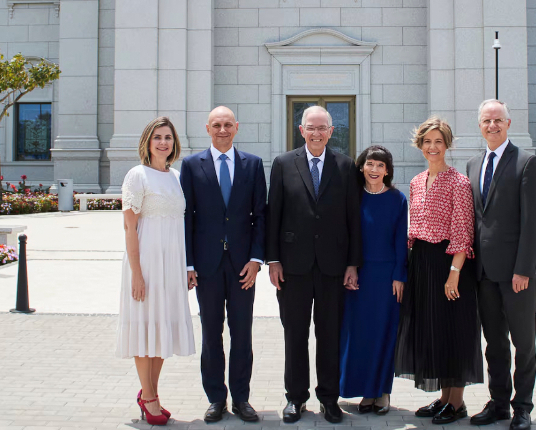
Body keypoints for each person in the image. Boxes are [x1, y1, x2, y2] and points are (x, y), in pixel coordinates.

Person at [266, 105, 362, 424]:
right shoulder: (282, 164)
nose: (317, 133)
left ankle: (329, 398)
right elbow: (274, 215)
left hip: (333, 267)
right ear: (301, 130)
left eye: (323, 128)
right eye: (311, 127)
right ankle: (296, 399)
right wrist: (274, 259)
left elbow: (353, 219)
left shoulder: (346, 166)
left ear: (331, 132)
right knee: (295, 334)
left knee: (329, 335)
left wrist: (352, 264)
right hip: (293, 267)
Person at [466, 99, 536, 430]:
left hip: (518, 273)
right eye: (487, 120)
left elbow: (533, 223)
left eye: (498, 120)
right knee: (495, 342)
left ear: (508, 123)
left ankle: (523, 407)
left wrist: (523, 269)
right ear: (480, 125)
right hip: (484, 272)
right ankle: (499, 402)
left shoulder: (527, 163)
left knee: (524, 343)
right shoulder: (473, 165)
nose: (492, 125)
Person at [180, 106, 267, 423]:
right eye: (216, 125)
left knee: (242, 334)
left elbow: (261, 216)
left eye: (227, 124)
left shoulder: (253, 165)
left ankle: (242, 399)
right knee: (211, 334)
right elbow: (186, 219)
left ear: (236, 127)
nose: (222, 129)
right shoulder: (191, 165)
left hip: (244, 267)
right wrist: (189, 264)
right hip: (207, 266)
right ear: (207, 128)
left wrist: (257, 259)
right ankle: (216, 398)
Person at [394, 116, 482, 425]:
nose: (433, 147)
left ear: (447, 145)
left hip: (449, 264)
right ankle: (444, 398)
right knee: (433, 331)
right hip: (421, 262)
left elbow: (462, 232)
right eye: (428, 142)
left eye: (439, 142)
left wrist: (454, 272)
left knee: (453, 331)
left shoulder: (459, 182)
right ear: (420, 145)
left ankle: (457, 403)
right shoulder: (417, 181)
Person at [116, 116, 195, 426]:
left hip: (171, 265)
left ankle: (151, 393)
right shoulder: (137, 176)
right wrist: (137, 273)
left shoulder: (176, 177)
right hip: (146, 263)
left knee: (162, 330)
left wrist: (187, 267)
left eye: (168, 137)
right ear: (147, 142)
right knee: (144, 328)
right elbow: (129, 227)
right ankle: (149, 397)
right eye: (158, 137)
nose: (164, 142)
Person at [339, 145, 408, 415]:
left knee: (383, 334)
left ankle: (382, 392)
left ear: (388, 170)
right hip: (357, 277)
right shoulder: (352, 197)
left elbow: (401, 241)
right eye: (370, 164)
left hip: (387, 278)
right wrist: (349, 267)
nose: (375, 170)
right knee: (359, 335)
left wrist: (399, 276)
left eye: (380, 165)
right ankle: (365, 392)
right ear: (361, 167)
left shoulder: (397, 199)